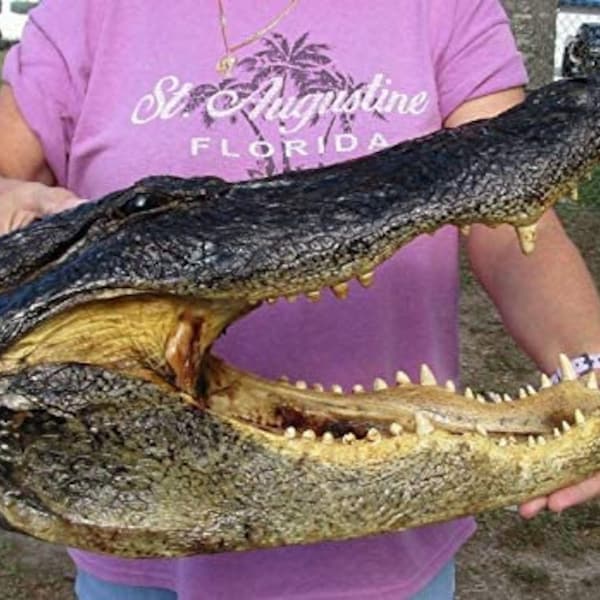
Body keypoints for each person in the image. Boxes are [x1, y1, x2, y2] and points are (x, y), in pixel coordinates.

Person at [1, 1, 600, 599]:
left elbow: (515, 214)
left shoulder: (442, 7)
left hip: (387, 538)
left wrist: (593, 380)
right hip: (142, 542)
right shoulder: (89, 12)